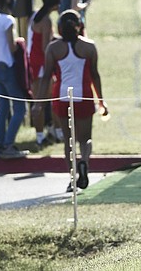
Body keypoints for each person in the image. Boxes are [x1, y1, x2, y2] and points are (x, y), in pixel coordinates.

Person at [40, 10, 105, 191]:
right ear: (79, 26)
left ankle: (72, 178)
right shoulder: (89, 47)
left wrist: (38, 103)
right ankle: (84, 161)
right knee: (85, 139)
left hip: (62, 98)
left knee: (69, 140)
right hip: (83, 96)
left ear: (60, 27)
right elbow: (95, 75)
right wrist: (101, 100)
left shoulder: (53, 48)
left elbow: (46, 77)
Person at [0, 0, 28, 159]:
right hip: (7, 66)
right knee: (20, 108)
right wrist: (20, 41)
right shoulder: (7, 20)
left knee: (3, 107)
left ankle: (0, 145)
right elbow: (12, 48)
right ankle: (8, 144)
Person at [27, 0, 61, 149]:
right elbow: (44, 47)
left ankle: (48, 132)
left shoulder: (35, 15)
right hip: (41, 64)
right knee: (45, 100)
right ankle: (45, 135)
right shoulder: (46, 20)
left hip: (34, 62)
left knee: (46, 99)